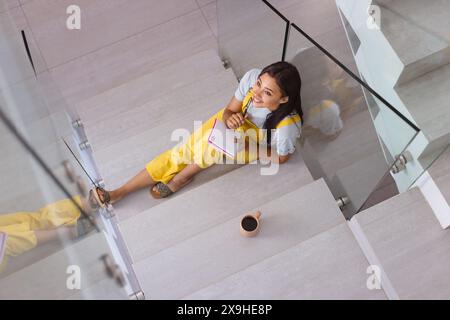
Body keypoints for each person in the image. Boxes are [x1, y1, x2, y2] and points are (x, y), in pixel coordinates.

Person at [91, 61, 303, 205]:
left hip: (254, 144)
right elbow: (229, 109)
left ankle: (182, 176)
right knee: (183, 151)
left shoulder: (287, 127)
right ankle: (121, 191)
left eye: (267, 93)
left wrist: (249, 146)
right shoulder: (251, 78)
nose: (256, 93)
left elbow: (283, 157)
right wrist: (230, 118)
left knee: (206, 149)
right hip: (232, 123)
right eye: (258, 85)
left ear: (284, 99)